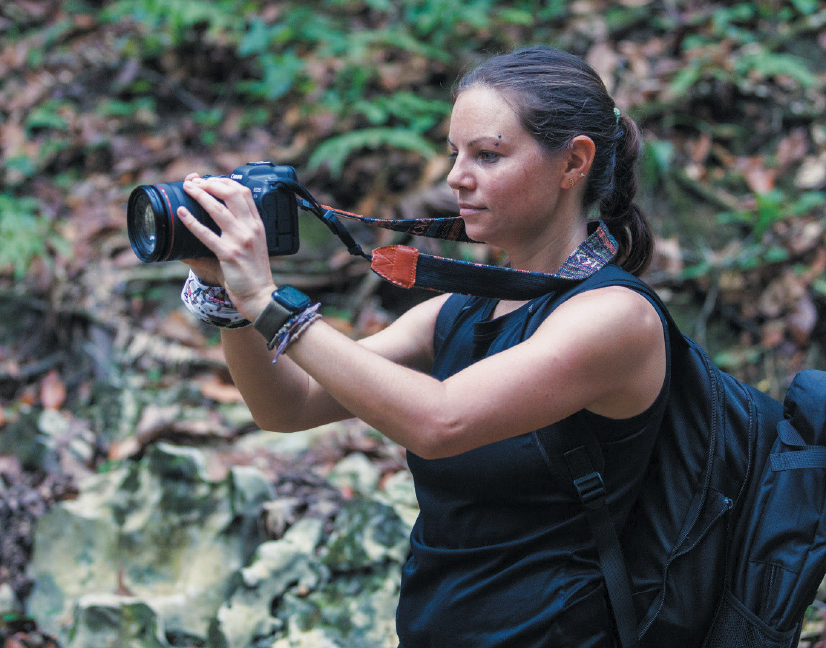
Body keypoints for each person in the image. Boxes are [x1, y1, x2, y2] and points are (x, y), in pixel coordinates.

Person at [175, 45, 668, 648]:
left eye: (488, 155)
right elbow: (287, 406)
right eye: (454, 153)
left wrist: (269, 301)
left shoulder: (616, 317)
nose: (457, 177)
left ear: (574, 163)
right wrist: (228, 296)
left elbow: (439, 421)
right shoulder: (460, 312)